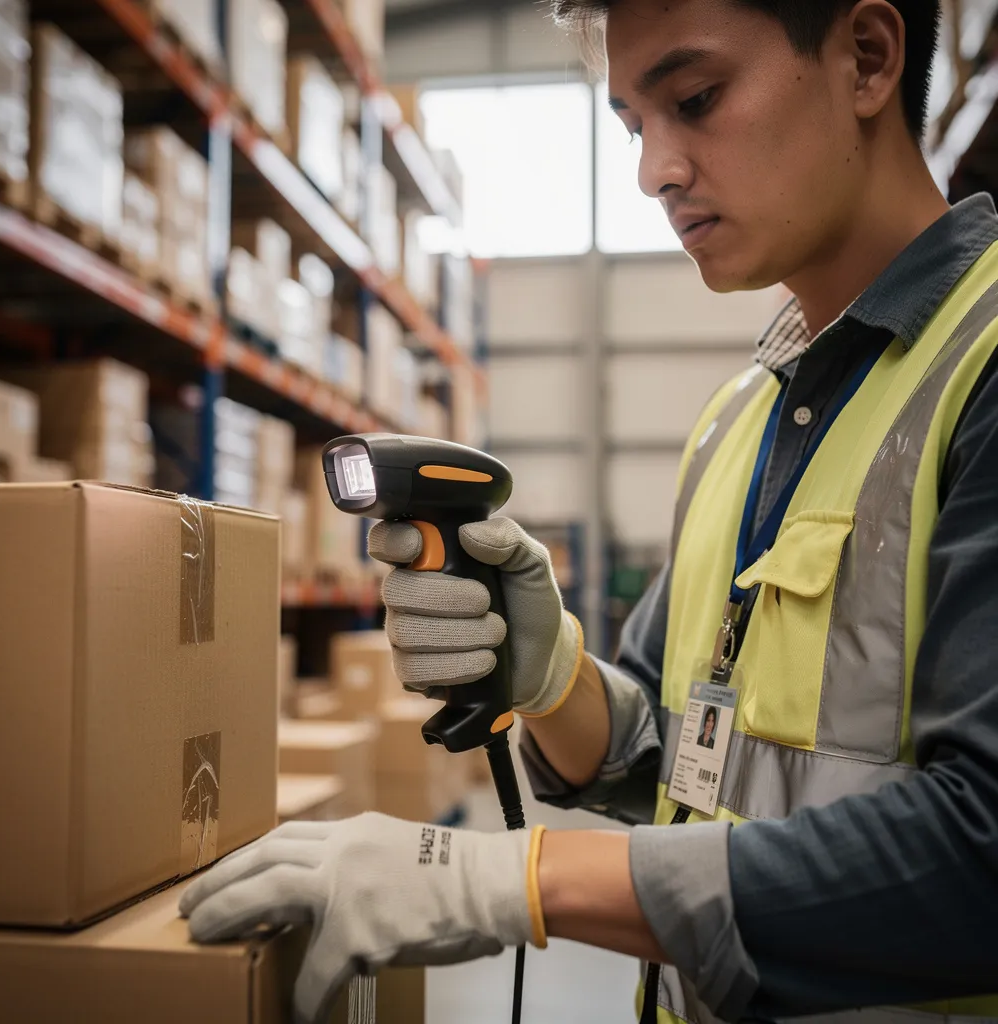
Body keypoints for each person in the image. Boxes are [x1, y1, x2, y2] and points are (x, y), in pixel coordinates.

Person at [179, 2, 998, 1022]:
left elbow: (981, 853)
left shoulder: (982, 363)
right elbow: (670, 755)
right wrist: (552, 674)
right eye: (630, 125)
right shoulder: (741, 417)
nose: (653, 169)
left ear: (866, 59)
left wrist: (513, 879)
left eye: (694, 99)